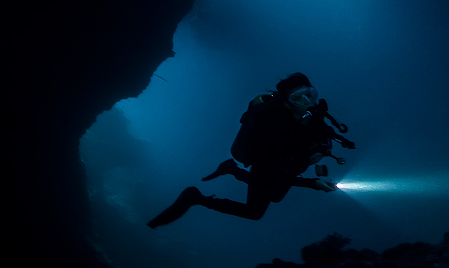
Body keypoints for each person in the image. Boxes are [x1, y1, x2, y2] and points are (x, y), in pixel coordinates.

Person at [147, 72, 353, 227]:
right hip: (267, 164)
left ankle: (232, 170)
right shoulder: (274, 130)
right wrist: (314, 183)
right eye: (298, 99)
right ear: (287, 104)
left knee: (276, 196)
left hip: (286, 167)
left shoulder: (313, 116)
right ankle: (195, 197)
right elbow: (275, 172)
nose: (308, 102)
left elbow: (318, 141)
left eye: (310, 94)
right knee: (254, 212)